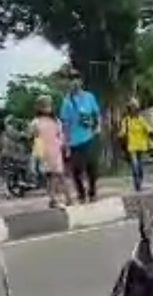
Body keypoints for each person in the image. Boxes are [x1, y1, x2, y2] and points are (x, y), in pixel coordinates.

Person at [60, 69, 100, 203]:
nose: (74, 82)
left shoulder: (89, 97)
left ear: (81, 81)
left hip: (88, 137)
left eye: (76, 79)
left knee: (92, 167)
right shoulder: (67, 102)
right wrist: (65, 143)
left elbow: (96, 114)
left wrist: (97, 127)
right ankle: (81, 193)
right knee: (76, 170)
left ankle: (92, 191)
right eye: (71, 80)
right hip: (74, 141)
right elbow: (65, 124)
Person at [31, 94, 71, 209]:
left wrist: (64, 146)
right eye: (45, 105)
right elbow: (36, 137)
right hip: (46, 150)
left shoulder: (54, 120)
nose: (47, 108)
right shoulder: (38, 122)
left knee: (57, 175)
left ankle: (61, 198)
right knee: (54, 175)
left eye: (48, 105)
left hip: (54, 150)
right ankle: (59, 198)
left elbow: (60, 135)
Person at [119, 97, 153, 192]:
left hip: (141, 145)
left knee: (140, 166)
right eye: (131, 108)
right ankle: (137, 183)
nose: (133, 110)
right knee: (135, 165)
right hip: (131, 146)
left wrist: (151, 133)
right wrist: (120, 136)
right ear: (129, 109)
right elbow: (122, 132)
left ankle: (140, 178)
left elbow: (148, 128)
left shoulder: (141, 119)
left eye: (135, 108)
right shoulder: (126, 120)